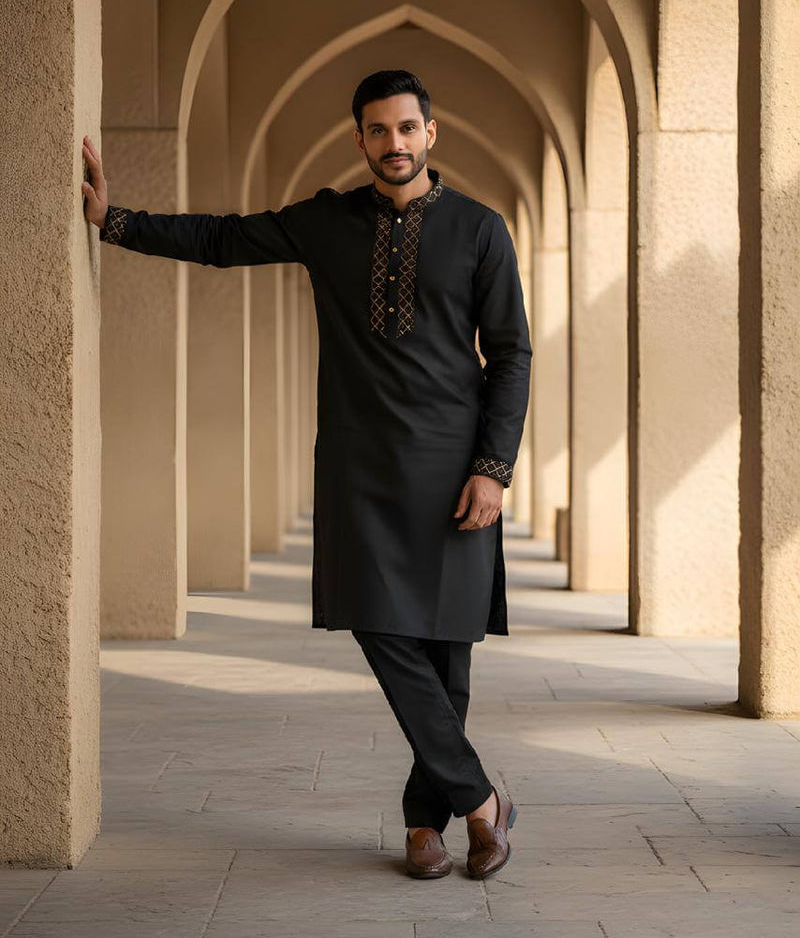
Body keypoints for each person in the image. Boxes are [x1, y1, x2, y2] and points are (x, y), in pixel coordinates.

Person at [82, 69, 530, 880]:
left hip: (456, 468)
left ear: (432, 133)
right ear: (359, 139)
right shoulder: (326, 224)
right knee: (379, 623)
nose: (393, 143)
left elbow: (512, 355)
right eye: (377, 130)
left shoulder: (480, 230)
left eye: (406, 128)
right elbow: (221, 240)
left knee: (447, 656)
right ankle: (482, 799)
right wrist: (112, 219)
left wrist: (494, 468)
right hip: (360, 467)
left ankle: (424, 827)